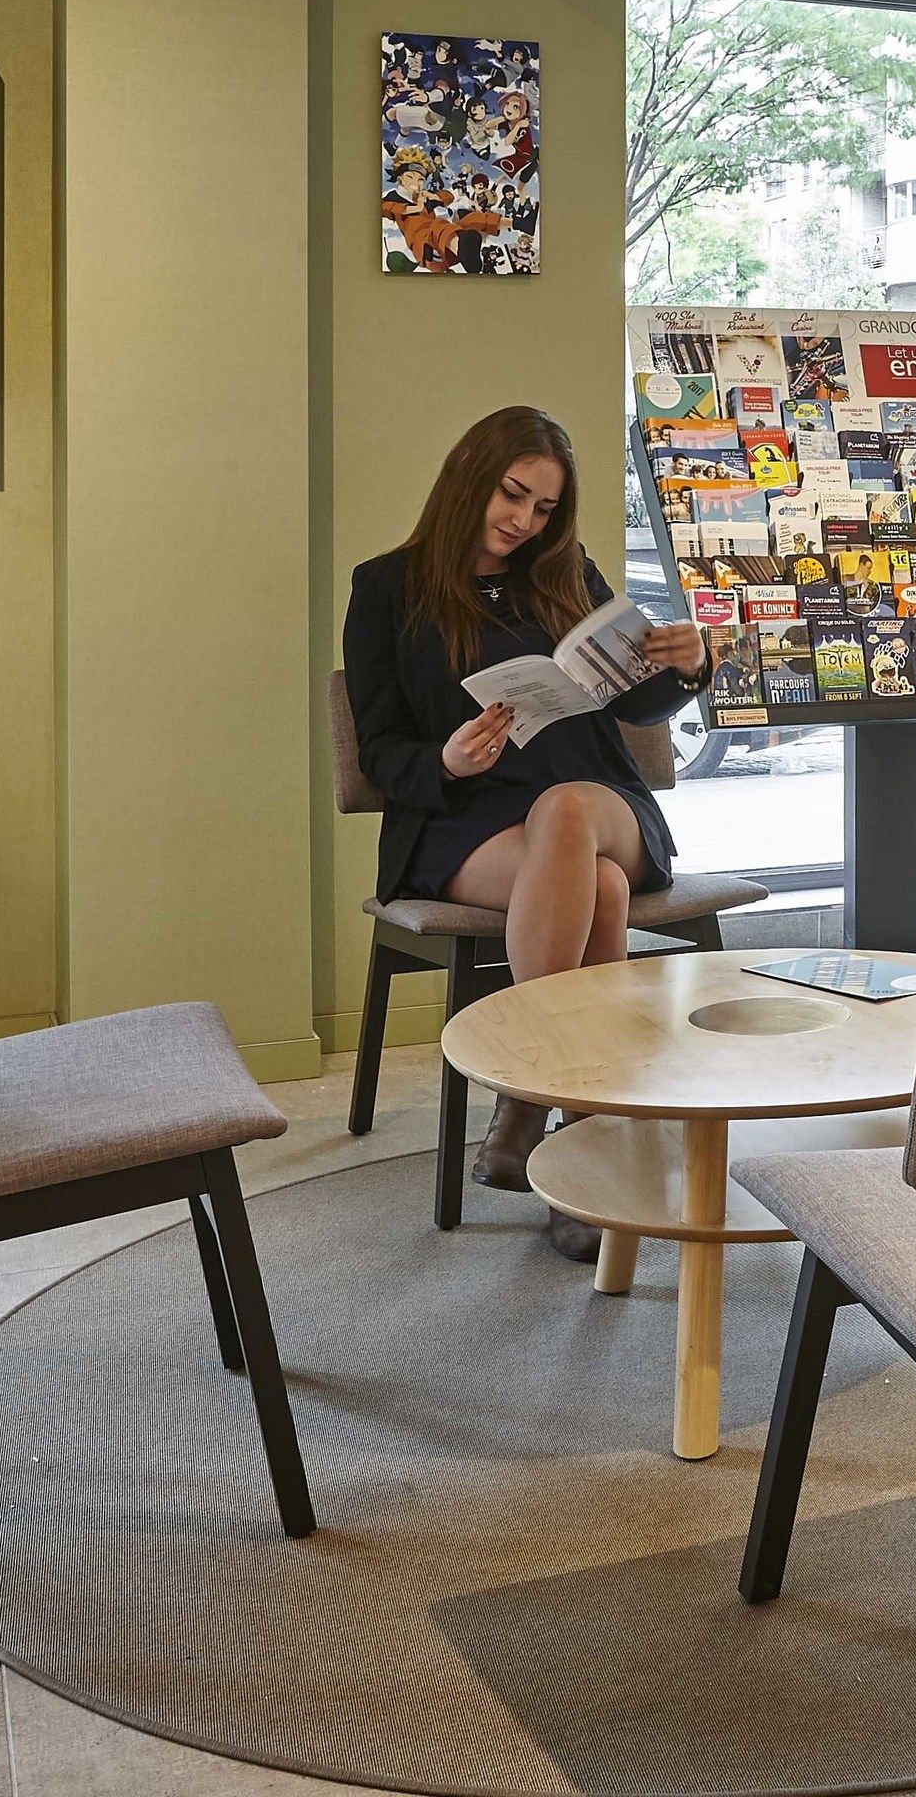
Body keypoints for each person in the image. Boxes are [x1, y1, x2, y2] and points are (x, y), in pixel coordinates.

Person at [343, 405, 706, 1255]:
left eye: (544, 509)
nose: (524, 521)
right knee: (599, 891)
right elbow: (379, 747)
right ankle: (583, 1143)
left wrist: (686, 668)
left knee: (570, 812)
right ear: (470, 478)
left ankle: (521, 1098)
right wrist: (447, 762)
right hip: (465, 817)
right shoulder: (385, 586)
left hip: (595, 802)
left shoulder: (567, 571)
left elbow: (634, 693)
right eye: (513, 497)